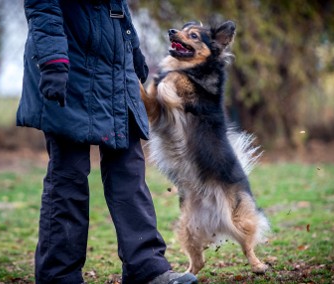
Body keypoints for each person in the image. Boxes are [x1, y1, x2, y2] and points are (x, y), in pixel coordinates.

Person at [17, 1, 199, 283]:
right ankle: (59, 276)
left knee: (130, 171)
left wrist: (134, 49)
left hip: (115, 70)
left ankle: (147, 270)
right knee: (68, 174)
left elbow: (117, 6)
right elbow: (43, 6)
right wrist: (52, 60)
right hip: (69, 66)